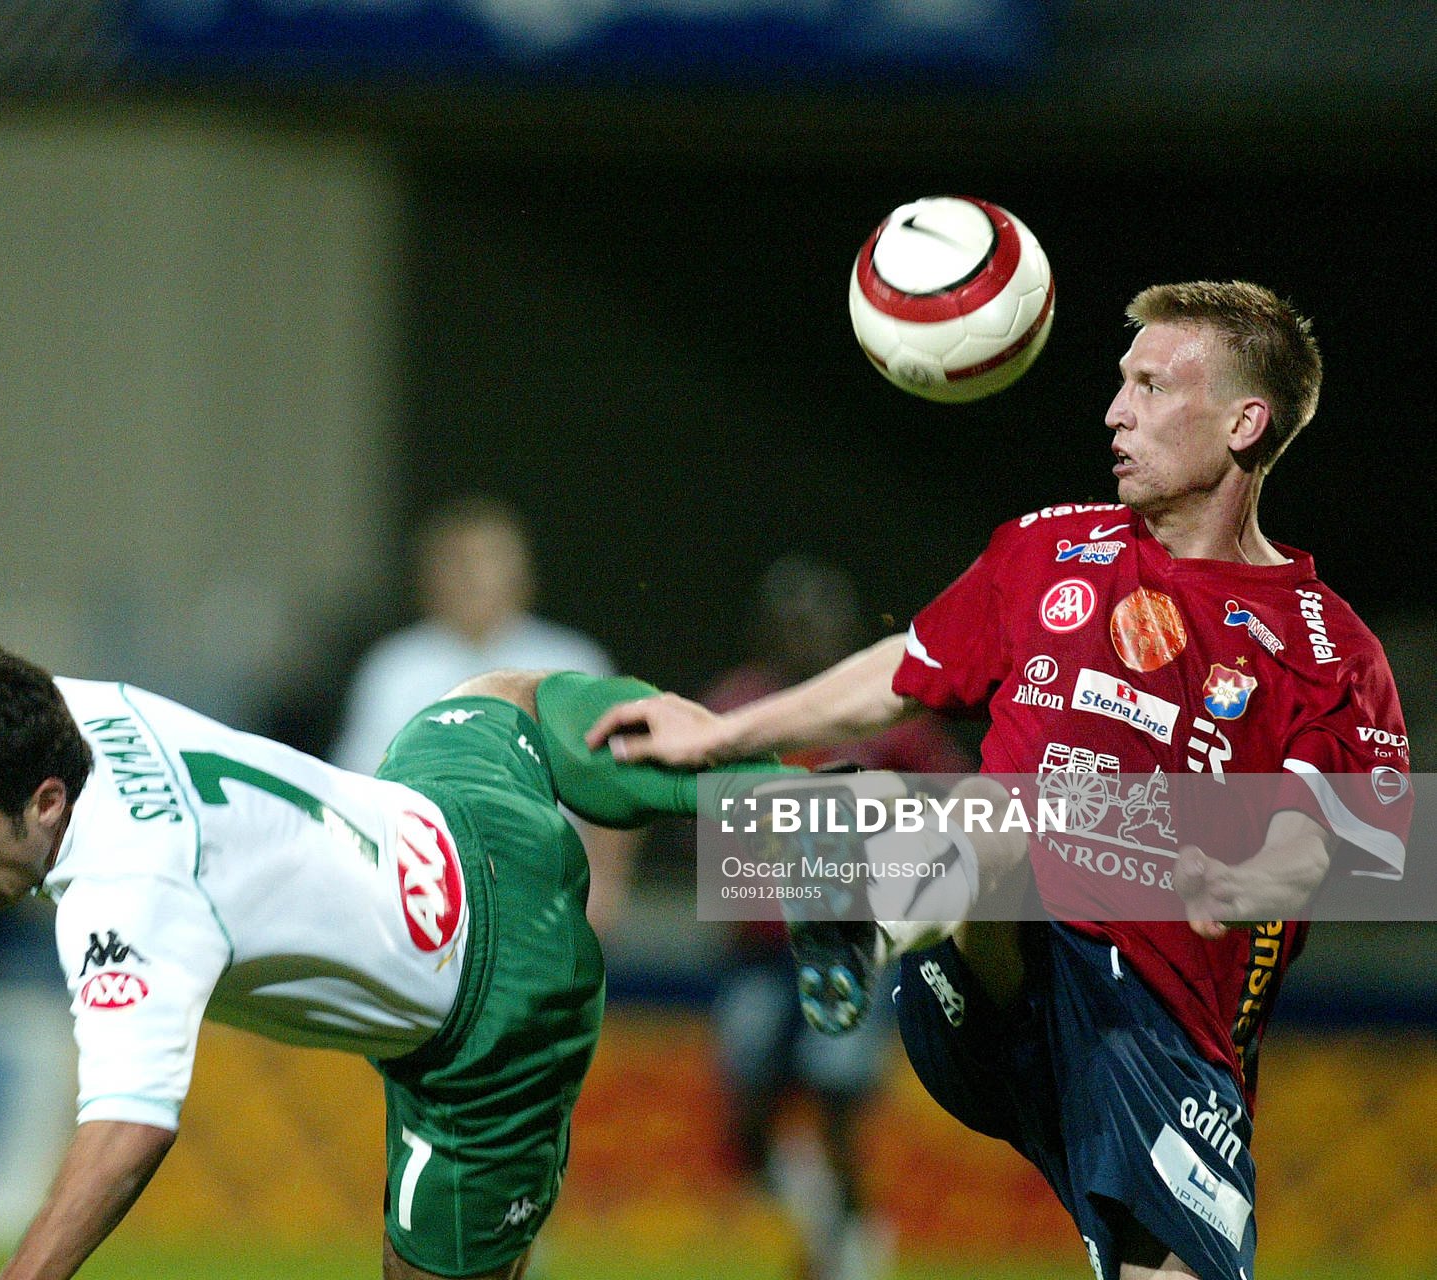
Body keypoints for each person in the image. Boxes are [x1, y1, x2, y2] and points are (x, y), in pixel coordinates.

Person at [587, 282, 1414, 1280]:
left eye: (1150, 387)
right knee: (998, 808)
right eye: (1119, 384)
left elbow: (1349, 841)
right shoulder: (1044, 546)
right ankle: (863, 906)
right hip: (998, 970)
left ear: (1244, 420)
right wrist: (719, 733)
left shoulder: (1327, 647)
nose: (1114, 411)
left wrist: (1254, 876)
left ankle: (861, 865)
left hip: (1160, 1030)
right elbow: (902, 668)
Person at [0, 643, 754, 1280]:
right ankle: (858, 856)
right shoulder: (59, 714)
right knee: (496, 695)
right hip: (457, 810)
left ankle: (841, 872)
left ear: (42, 803)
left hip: (492, 1022)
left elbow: (128, 1131)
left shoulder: (124, 895)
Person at [702, 555, 968, 1280]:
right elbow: (704, 819)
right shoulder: (738, 706)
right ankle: (818, 1211)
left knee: (837, 1096)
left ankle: (852, 1252)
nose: (803, 637)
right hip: (760, 950)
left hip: (855, 942)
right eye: (789, 623)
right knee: (746, 1103)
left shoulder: (883, 707)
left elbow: (954, 799)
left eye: (817, 622)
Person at [333, 495, 636, 932]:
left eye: (488, 561)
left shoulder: (571, 662)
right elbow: (358, 785)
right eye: (457, 563)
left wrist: (607, 886)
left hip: (545, 887)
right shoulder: (396, 667)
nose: (472, 578)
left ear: (522, 572)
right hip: (422, 889)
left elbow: (615, 782)